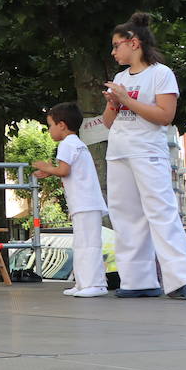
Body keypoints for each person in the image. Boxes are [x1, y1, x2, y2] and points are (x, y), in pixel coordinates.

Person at [101, 13, 186, 300]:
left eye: (116, 45)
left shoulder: (161, 73)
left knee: (161, 214)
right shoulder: (120, 78)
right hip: (119, 152)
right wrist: (113, 104)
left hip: (147, 151)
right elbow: (108, 123)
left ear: (133, 43)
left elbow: (164, 116)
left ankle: (183, 281)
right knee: (126, 217)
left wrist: (126, 99)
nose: (113, 52)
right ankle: (137, 281)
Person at [31, 102, 107, 298]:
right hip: (85, 202)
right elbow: (69, 171)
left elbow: (64, 170)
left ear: (62, 125)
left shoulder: (66, 144)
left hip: (84, 203)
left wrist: (46, 167)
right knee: (83, 244)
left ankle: (95, 284)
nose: (49, 130)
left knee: (88, 244)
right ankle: (83, 283)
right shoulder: (76, 143)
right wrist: (51, 171)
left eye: (50, 125)